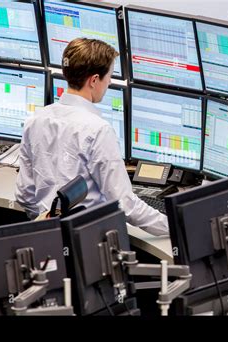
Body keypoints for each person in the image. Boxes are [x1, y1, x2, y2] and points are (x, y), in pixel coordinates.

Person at [15, 38, 168, 236]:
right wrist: (177, 224)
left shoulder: (35, 119)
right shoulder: (98, 129)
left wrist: (49, 224)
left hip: (47, 239)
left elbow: (24, 194)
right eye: (109, 76)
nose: (110, 82)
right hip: (89, 242)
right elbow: (126, 205)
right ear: (94, 80)